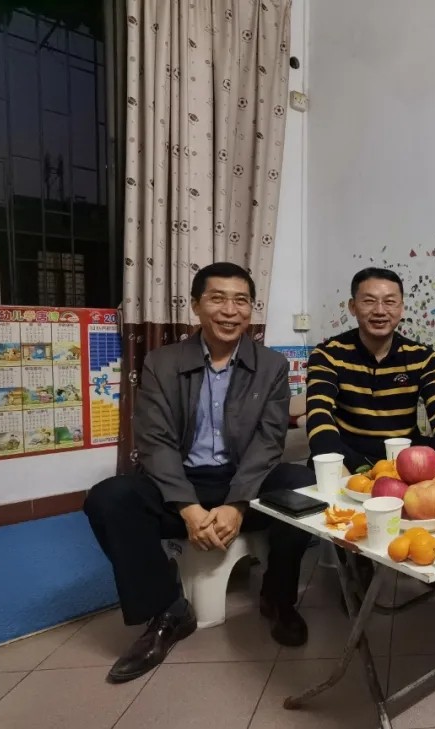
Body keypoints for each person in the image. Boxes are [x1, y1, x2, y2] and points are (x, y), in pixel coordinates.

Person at [84, 262, 315, 684]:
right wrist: (188, 507)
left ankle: (278, 597)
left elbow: (268, 442)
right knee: (109, 498)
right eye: (217, 298)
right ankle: (167, 610)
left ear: (251, 309)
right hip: (181, 482)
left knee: (302, 487)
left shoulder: (272, 366)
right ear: (195, 305)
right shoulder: (162, 363)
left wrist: (237, 504)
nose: (230, 310)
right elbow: (154, 441)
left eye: (241, 300)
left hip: (243, 481)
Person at [305, 268, 435, 472]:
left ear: (401, 308)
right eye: (369, 301)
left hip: (405, 461)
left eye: (389, 302)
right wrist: (334, 466)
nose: (380, 311)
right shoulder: (328, 355)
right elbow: (318, 413)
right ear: (352, 307)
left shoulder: (423, 357)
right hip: (348, 458)